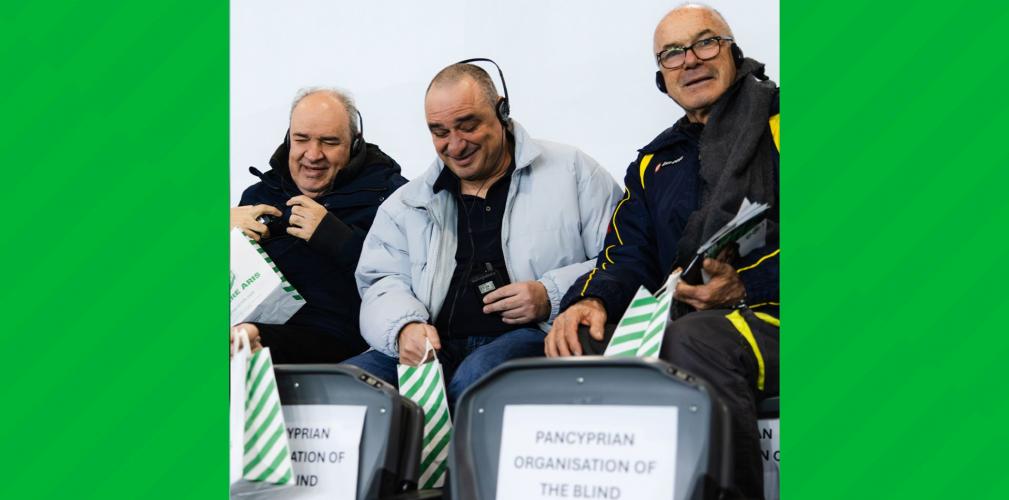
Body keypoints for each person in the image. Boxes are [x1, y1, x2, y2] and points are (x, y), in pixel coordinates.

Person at [547, 4, 780, 498]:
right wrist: (591, 301)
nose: (690, 60)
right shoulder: (652, 163)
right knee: (578, 342)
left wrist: (745, 285)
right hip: (687, 316)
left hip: (778, 312)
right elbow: (626, 255)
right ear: (662, 78)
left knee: (696, 338)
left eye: (705, 42)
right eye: (672, 53)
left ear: (734, 53)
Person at [345, 61, 621, 406]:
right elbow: (380, 281)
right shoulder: (407, 203)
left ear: (502, 110)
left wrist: (549, 294)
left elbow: (620, 260)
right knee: (345, 387)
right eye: (440, 132)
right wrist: (403, 327)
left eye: (467, 126)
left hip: (533, 336)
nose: (455, 145)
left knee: (478, 382)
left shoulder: (573, 172)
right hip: (433, 347)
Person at [230, 88, 407, 363]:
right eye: (301, 139)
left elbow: (412, 279)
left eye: (329, 142)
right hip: (245, 324)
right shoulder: (259, 194)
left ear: (355, 144)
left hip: (336, 339)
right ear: (288, 139)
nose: (313, 155)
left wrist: (337, 238)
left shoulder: (394, 197)